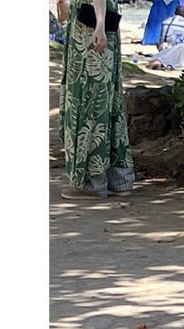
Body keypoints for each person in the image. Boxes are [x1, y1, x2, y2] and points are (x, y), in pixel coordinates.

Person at [58, 0, 135, 199]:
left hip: (89, 25)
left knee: (88, 97)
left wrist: (99, 25)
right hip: (101, 18)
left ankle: (92, 181)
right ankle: (119, 179)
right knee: (107, 97)